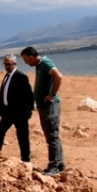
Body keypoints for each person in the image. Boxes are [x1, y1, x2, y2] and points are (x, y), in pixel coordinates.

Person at [21, 47, 64, 175]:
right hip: (44, 107)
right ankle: (60, 164)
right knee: (52, 135)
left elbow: (58, 76)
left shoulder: (45, 63)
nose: (25, 63)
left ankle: (54, 166)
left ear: (31, 57)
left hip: (50, 106)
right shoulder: (40, 65)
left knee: (52, 136)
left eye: (25, 60)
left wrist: (53, 94)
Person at [0, 54, 33, 163]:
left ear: (15, 64)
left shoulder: (20, 76)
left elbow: (29, 95)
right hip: (8, 112)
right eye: (5, 64)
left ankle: (26, 160)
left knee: (22, 136)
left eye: (9, 64)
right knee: (0, 131)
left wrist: (28, 110)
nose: (7, 66)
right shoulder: (7, 76)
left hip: (19, 113)